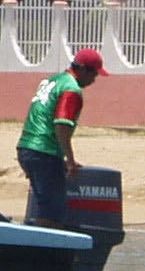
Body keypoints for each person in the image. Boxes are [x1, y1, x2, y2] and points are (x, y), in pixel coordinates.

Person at [17, 46, 102, 227]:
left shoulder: (52, 80)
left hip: (26, 148)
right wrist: (70, 160)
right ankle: (47, 252)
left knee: (45, 204)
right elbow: (61, 125)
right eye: (93, 74)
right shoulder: (71, 89)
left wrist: (60, 161)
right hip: (43, 152)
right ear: (81, 69)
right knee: (52, 212)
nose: (94, 80)